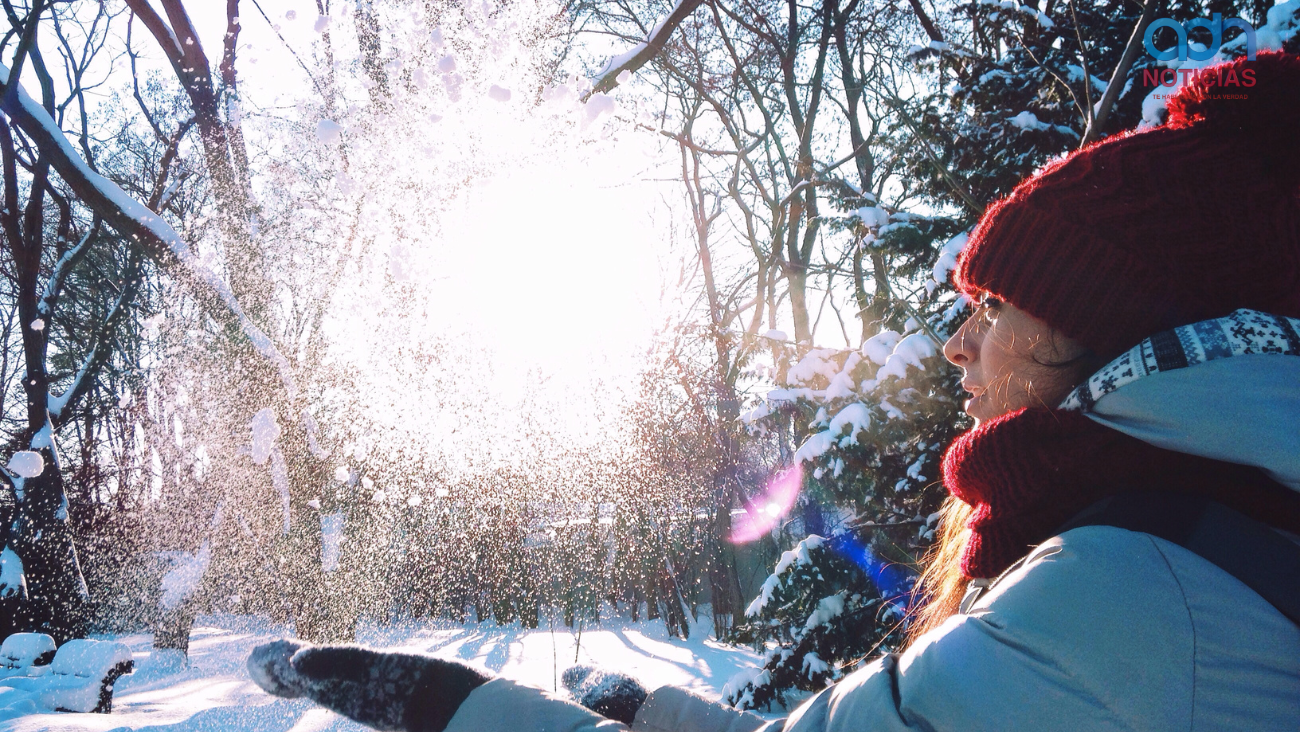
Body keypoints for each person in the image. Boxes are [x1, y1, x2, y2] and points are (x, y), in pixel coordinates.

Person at [249, 51, 1300, 732]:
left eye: (991, 307)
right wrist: (662, 715)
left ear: (1101, 326)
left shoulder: (1128, 590)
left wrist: (459, 707)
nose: (958, 349)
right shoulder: (1210, 533)